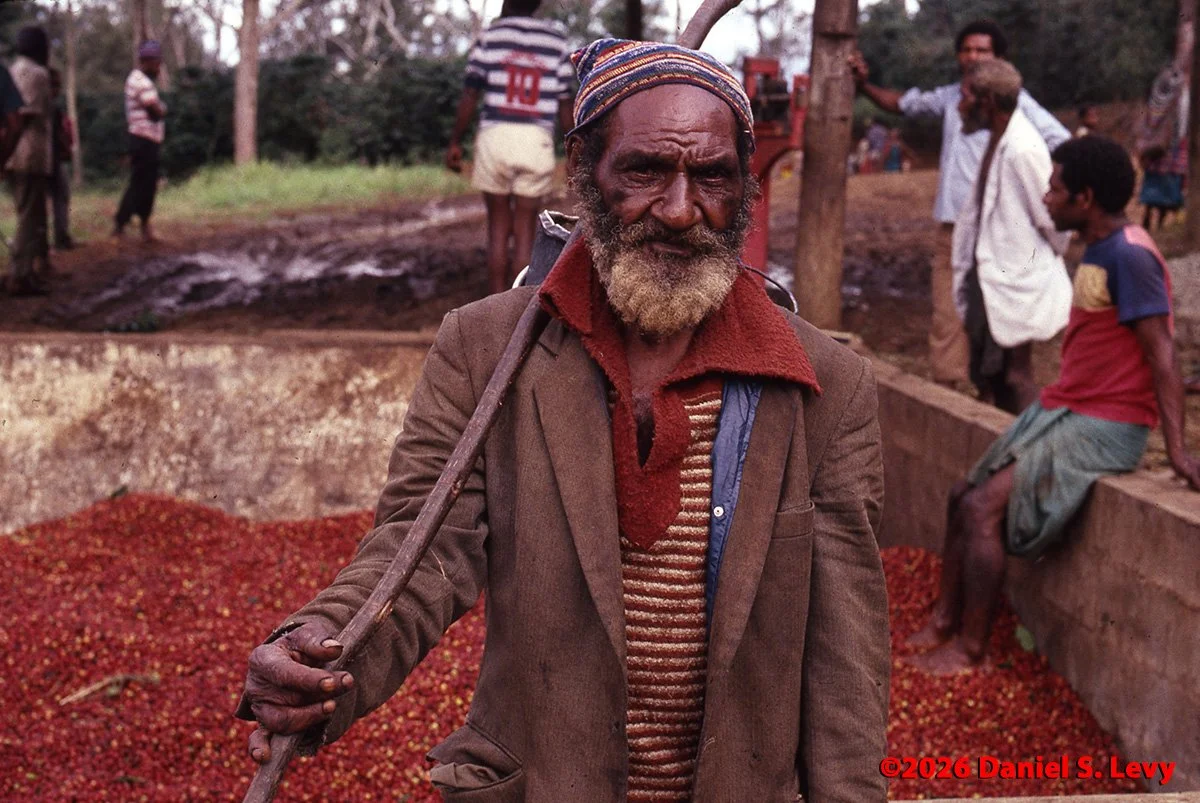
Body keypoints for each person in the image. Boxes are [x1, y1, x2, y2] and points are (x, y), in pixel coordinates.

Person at [240, 38, 890, 801]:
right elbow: (417, 548)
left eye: (711, 177)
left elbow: (847, 657)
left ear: (743, 186)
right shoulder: (484, 351)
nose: (681, 211)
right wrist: (315, 655)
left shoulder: (827, 387)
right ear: (586, 172)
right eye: (645, 170)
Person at [907, 135, 1200, 676]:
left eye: (1055, 188)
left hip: (1106, 423)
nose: (1045, 197)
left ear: (1084, 199)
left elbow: (1163, 356)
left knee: (981, 508)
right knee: (959, 495)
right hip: (1068, 406)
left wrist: (1177, 452)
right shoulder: (1101, 246)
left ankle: (972, 652)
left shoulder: (1132, 257)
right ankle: (946, 619)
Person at [850, 20, 1070, 389]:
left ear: (999, 58)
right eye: (966, 49)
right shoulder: (952, 98)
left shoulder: (1017, 105)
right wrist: (863, 86)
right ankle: (950, 391)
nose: (972, 57)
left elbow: (1060, 142)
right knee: (948, 313)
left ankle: (993, 393)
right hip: (953, 224)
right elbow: (902, 104)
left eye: (981, 50)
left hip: (998, 231)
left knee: (996, 317)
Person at [951, 60, 1071, 413]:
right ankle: (1000, 448)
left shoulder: (1023, 149)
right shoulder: (997, 141)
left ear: (987, 100)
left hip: (1016, 282)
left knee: (1016, 376)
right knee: (988, 377)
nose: (961, 104)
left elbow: (1053, 221)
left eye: (967, 96)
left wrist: (1034, 264)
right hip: (989, 278)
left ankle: (1027, 453)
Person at [446, 0, 574, 295]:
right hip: (535, 140)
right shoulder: (554, 40)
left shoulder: (491, 36)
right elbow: (565, 102)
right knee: (526, 229)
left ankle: (494, 306)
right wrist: (571, 150)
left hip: (496, 138)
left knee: (498, 228)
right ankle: (517, 309)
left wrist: (455, 141)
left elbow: (470, 93)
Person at [4, 27, 52, 297]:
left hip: (12, 153)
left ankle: (26, 271)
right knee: (28, 217)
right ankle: (19, 275)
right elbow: (25, 115)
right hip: (30, 153)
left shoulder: (13, 70)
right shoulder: (37, 74)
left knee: (28, 213)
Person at [113, 40, 167, 244]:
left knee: (147, 184)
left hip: (149, 139)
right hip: (142, 138)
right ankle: (122, 223)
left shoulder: (145, 81)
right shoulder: (139, 80)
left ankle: (142, 224)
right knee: (140, 183)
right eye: (156, 62)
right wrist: (162, 109)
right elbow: (156, 111)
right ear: (146, 61)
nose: (159, 66)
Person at [48, 67, 74, 251]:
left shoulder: (54, 108)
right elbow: (59, 136)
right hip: (51, 159)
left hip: (52, 158)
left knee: (61, 197)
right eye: (54, 86)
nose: (57, 90)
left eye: (58, 86)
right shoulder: (51, 108)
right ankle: (60, 238)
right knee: (60, 196)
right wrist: (66, 149)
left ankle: (61, 237)